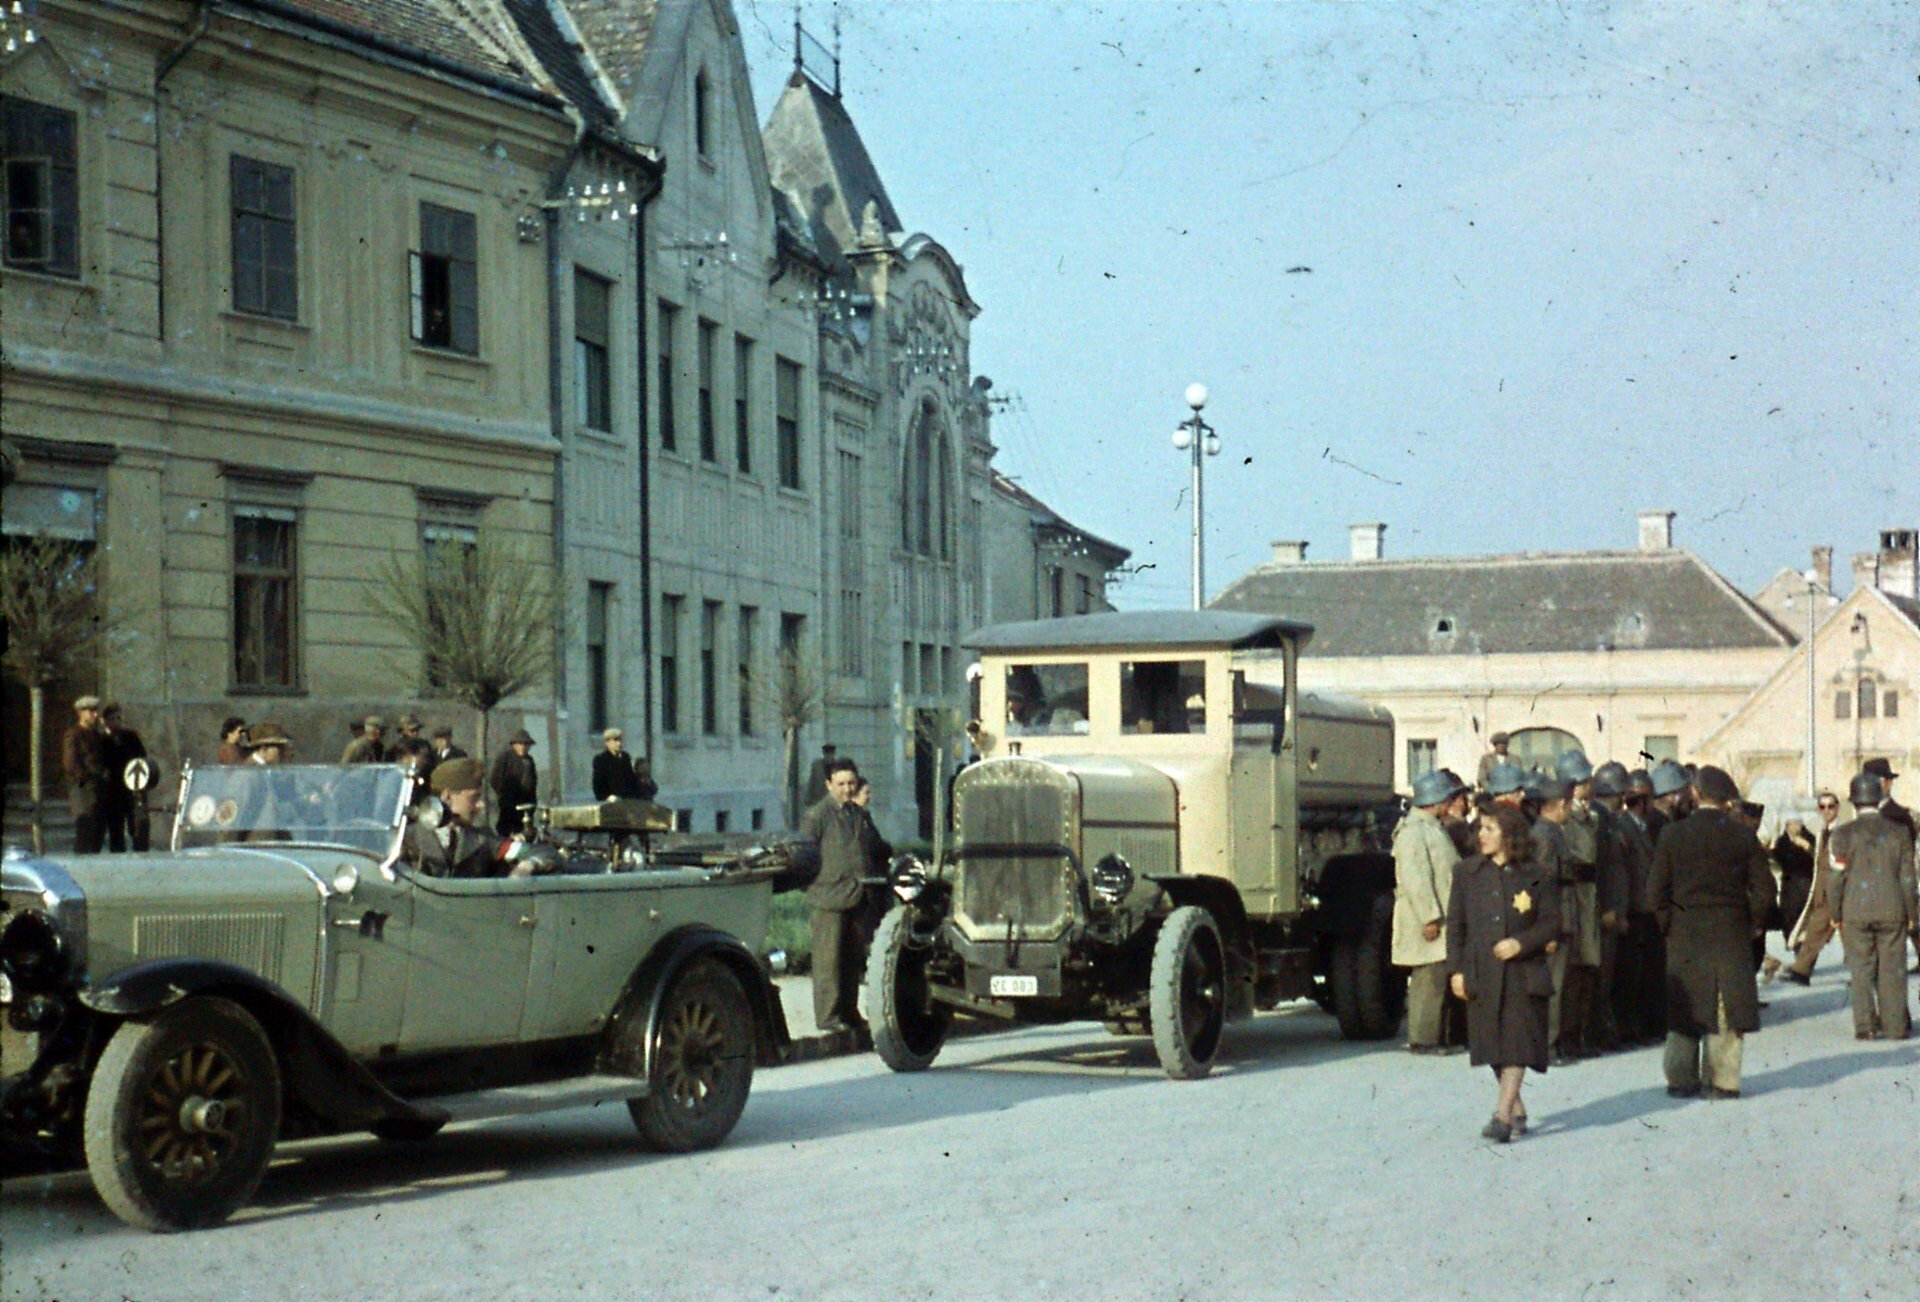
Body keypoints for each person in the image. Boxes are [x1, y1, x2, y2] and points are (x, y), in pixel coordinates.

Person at [1649, 765, 1776, 1099]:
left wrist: (1668, 926)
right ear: (1728, 800)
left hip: (1685, 932)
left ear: (1695, 793)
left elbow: (1656, 892)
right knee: (1726, 1008)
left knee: (1684, 1007)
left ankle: (1680, 1078)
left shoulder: (1672, 834)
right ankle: (1723, 1081)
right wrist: (1753, 923)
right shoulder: (1743, 836)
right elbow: (1764, 889)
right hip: (1730, 932)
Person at [1447, 803, 1561, 1143]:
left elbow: (1552, 923)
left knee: (1516, 1042)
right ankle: (1517, 1107)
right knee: (1492, 1045)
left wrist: (1521, 943)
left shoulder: (1538, 874)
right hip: (1482, 971)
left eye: (1490, 829)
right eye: (1480, 828)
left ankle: (1501, 1117)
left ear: (1510, 835)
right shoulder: (1466, 873)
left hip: (1523, 974)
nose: (1480, 835)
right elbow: (1456, 927)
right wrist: (1455, 971)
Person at [1828, 771, 1917, 1039]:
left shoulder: (1842, 834)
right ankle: (1895, 1026)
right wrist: (1912, 912)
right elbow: (1907, 877)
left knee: (1861, 969)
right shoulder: (1899, 832)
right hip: (1893, 910)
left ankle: (1865, 1027)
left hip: (1855, 910)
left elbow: (1836, 878)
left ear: (1854, 801)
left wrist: (1835, 913)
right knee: (1892, 969)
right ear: (1878, 798)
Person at [799, 759, 883, 1033]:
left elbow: (875, 847)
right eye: (841, 784)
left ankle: (849, 1012)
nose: (847, 790)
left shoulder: (857, 813)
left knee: (851, 960)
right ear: (829, 785)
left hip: (858, 895)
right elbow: (803, 855)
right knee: (829, 962)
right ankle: (828, 1017)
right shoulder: (818, 816)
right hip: (828, 898)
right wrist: (813, 886)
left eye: (852, 784)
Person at [1394, 770, 1464, 1055]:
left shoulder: (1430, 827)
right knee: (1428, 979)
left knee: (1437, 977)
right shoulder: (1413, 832)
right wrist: (1429, 917)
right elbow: (1416, 879)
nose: (1450, 803)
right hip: (1426, 918)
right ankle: (1423, 1039)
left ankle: (1436, 1036)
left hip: (1438, 914)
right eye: (1446, 798)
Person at [1783, 791, 1845, 984]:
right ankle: (1801, 971)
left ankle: (1871, 974)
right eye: (1822, 807)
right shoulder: (1821, 833)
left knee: (1850, 937)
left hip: (1839, 891)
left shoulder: (1843, 832)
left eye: (1831, 806)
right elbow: (1819, 861)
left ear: (1837, 808)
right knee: (1815, 932)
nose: (1826, 811)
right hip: (1823, 893)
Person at [405, 756, 503, 878]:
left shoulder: (484, 838)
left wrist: (527, 865)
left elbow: (527, 851)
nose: (481, 805)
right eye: (474, 798)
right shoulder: (408, 839)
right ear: (447, 796)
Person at [100, 702, 154, 852]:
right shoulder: (101, 739)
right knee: (116, 828)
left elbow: (141, 758)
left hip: (133, 787)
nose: (116, 722)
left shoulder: (130, 736)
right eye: (113, 718)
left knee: (138, 826)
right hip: (113, 789)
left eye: (119, 718)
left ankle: (141, 852)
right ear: (105, 720)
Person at [61, 695, 109, 854]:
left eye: (97, 711)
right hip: (82, 789)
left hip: (98, 789)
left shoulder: (97, 735)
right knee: (85, 830)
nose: (96, 715)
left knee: (98, 833)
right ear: (81, 713)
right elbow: (71, 763)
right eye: (91, 711)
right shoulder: (74, 735)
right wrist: (88, 779)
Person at [1770, 819, 1816, 970]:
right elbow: (1777, 858)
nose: (1795, 827)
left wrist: (1807, 847)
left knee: (1805, 923)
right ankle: (1798, 954)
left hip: (1806, 884)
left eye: (1798, 824)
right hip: (1789, 886)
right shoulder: (1782, 842)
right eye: (1791, 824)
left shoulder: (1809, 839)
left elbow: (1817, 858)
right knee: (1789, 921)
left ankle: (1804, 960)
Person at [489, 729, 539, 836]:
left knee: (525, 831)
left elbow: (533, 783)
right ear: (514, 745)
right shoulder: (505, 758)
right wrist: (504, 794)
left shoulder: (529, 761)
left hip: (526, 803)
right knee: (505, 830)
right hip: (509, 803)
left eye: (526, 744)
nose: (523, 747)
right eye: (520, 744)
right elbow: (495, 779)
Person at [592, 728, 658, 801]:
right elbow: (598, 785)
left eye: (620, 740)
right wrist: (608, 797)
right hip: (612, 799)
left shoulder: (625, 757)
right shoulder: (601, 759)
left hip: (627, 797)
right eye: (615, 740)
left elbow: (630, 778)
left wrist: (644, 782)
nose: (619, 743)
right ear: (607, 742)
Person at [803, 744, 839, 810]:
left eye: (830, 754)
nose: (828, 756)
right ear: (824, 754)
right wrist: (808, 798)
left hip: (834, 801)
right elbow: (812, 782)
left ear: (833, 754)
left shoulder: (838, 766)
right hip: (819, 800)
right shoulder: (817, 766)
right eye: (826, 754)